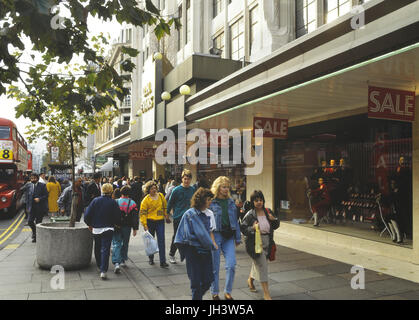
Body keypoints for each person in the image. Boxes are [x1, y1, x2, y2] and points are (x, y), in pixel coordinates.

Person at [174, 188, 218, 300]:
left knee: (208, 280)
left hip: (206, 250)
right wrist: (203, 239)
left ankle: (196, 296)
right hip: (192, 251)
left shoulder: (210, 214)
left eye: (211, 199)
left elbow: (210, 232)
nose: (210, 202)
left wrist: (212, 242)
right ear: (201, 200)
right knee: (196, 283)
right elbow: (184, 234)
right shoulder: (189, 214)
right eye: (208, 199)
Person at [240, 190, 279, 300]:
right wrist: (252, 228)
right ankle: (266, 294)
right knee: (263, 266)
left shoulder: (268, 211)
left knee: (258, 264)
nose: (259, 202)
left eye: (260, 200)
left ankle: (250, 280)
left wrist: (274, 219)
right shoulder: (250, 214)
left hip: (268, 241)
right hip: (255, 243)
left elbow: (276, 225)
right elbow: (243, 228)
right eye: (256, 200)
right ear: (252, 202)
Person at [209, 176, 241, 300]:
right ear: (218, 188)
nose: (226, 189)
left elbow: (236, 221)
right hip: (216, 235)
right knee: (214, 267)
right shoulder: (211, 202)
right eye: (224, 187)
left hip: (229, 236)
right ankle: (215, 292)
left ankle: (227, 292)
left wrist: (238, 237)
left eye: (227, 187)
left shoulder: (231, 202)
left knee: (231, 265)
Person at [84, 183, 121, 280]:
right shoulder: (113, 202)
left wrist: (89, 224)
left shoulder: (95, 201)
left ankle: (99, 265)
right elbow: (117, 216)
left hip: (96, 228)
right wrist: (116, 224)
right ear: (111, 191)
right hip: (108, 228)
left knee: (97, 247)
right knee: (105, 249)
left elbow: (87, 214)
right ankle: (103, 270)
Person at [167, 169, 196, 264]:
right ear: (182, 179)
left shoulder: (192, 189)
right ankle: (172, 254)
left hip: (190, 217)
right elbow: (170, 203)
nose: (186, 181)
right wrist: (167, 215)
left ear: (191, 179)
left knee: (189, 236)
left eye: (188, 179)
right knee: (177, 236)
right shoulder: (176, 190)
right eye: (185, 179)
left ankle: (186, 254)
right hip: (178, 217)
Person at [140, 180, 171, 268]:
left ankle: (163, 261)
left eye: (155, 188)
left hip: (160, 221)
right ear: (148, 190)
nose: (154, 190)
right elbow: (142, 213)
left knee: (161, 240)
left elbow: (165, 206)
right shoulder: (146, 200)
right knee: (150, 241)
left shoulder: (161, 196)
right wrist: (144, 224)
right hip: (150, 222)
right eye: (152, 188)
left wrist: (166, 216)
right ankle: (151, 258)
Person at [112, 186, 139, 273]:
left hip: (116, 226)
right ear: (129, 193)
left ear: (121, 193)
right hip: (127, 227)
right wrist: (135, 228)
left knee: (116, 243)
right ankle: (123, 260)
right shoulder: (133, 203)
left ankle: (116, 262)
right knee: (125, 243)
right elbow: (135, 217)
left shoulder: (116, 202)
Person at [26, 173, 48, 243]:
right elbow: (27, 197)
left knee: (38, 223)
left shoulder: (42, 185)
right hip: (31, 208)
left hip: (40, 208)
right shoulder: (28, 185)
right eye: (31, 178)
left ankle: (36, 237)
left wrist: (40, 199)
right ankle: (34, 232)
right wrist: (27, 207)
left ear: (37, 179)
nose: (33, 180)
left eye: (34, 178)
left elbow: (46, 195)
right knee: (30, 222)